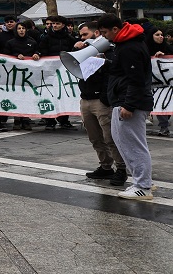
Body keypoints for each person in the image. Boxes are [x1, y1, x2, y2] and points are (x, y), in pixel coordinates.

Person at [96, 15, 155, 200]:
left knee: (133, 145)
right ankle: (142, 181)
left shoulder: (129, 46)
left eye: (105, 32)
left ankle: (143, 186)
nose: (105, 37)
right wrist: (107, 64)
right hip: (125, 100)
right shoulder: (127, 44)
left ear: (115, 29)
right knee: (125, 142)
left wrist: (129, 104)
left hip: (128, 102)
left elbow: (135, 79)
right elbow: (127, 72)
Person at [75, 22, 126, 184]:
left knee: (110, 137)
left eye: (85, 35)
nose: (82, 38)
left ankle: (121, 169)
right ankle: (105, 167)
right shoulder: (83, 51)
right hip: (86, 98)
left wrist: (105, 98)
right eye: (80, 35)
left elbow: (112, 76)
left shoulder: (109, 51)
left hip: (102, 101)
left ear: (96, 33)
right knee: (95, 137)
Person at [39, 16, 77, 129]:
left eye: (57, 23)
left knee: (64, 94)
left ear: (63, 25)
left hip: (65, 71)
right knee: (50, 94)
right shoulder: (46, 38)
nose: (54, 26)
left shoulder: (69, 39)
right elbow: (42, 51)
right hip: (50, 72)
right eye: (53, 23)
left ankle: (64, 119)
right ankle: (50, 120)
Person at [145, 24, 172, 136]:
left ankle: (164, 126)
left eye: (162, 35)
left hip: (167, 84)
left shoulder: (168, 48)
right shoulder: (145, 49)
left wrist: (164, 56)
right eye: (157, 35)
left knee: (164, 104)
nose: (161, 37)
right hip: (151, 84)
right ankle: (163, 126)